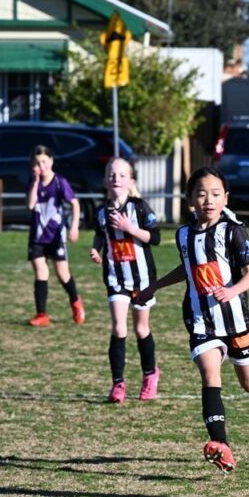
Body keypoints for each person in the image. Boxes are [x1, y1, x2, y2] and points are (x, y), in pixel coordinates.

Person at [139, 167, 249, 472]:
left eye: (215, 194)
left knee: (248, 381)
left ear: (225, 198)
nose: (208, 200)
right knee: (210, 375)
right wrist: (156, 285)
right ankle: (220, 444)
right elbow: (188, 268)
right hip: (200, 320)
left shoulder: (233, 231)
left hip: (236, 321)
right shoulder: (183, 235)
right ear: (190, 199)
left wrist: (232, 290)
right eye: (201, 194)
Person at [89, 158, 161, 404]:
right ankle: (118, 383)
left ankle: (150, 374)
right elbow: (100, 235)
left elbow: (155, 238)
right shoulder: (101, 212)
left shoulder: (139, 208)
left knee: (141, 329)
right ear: (105, 181)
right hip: (116, 277)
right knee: (119, 327)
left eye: (121, 175)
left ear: (131, 181)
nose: (116, 179)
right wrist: (96, 249)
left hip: (142, 279)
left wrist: (130, 228)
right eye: (111, 174)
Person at [26, 145, 85, 327]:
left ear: (51, 162)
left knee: (62, 274)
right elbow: (30, 205)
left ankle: (75, 301)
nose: (41, 166)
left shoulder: (59, 182)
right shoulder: (33, 182)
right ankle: (41, 314)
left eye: (44, 162)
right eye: (37, 163)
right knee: (41, 271)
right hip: (37, 236)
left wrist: (74, 227)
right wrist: (35, 183)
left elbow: (75, 203)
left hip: (55, 236)